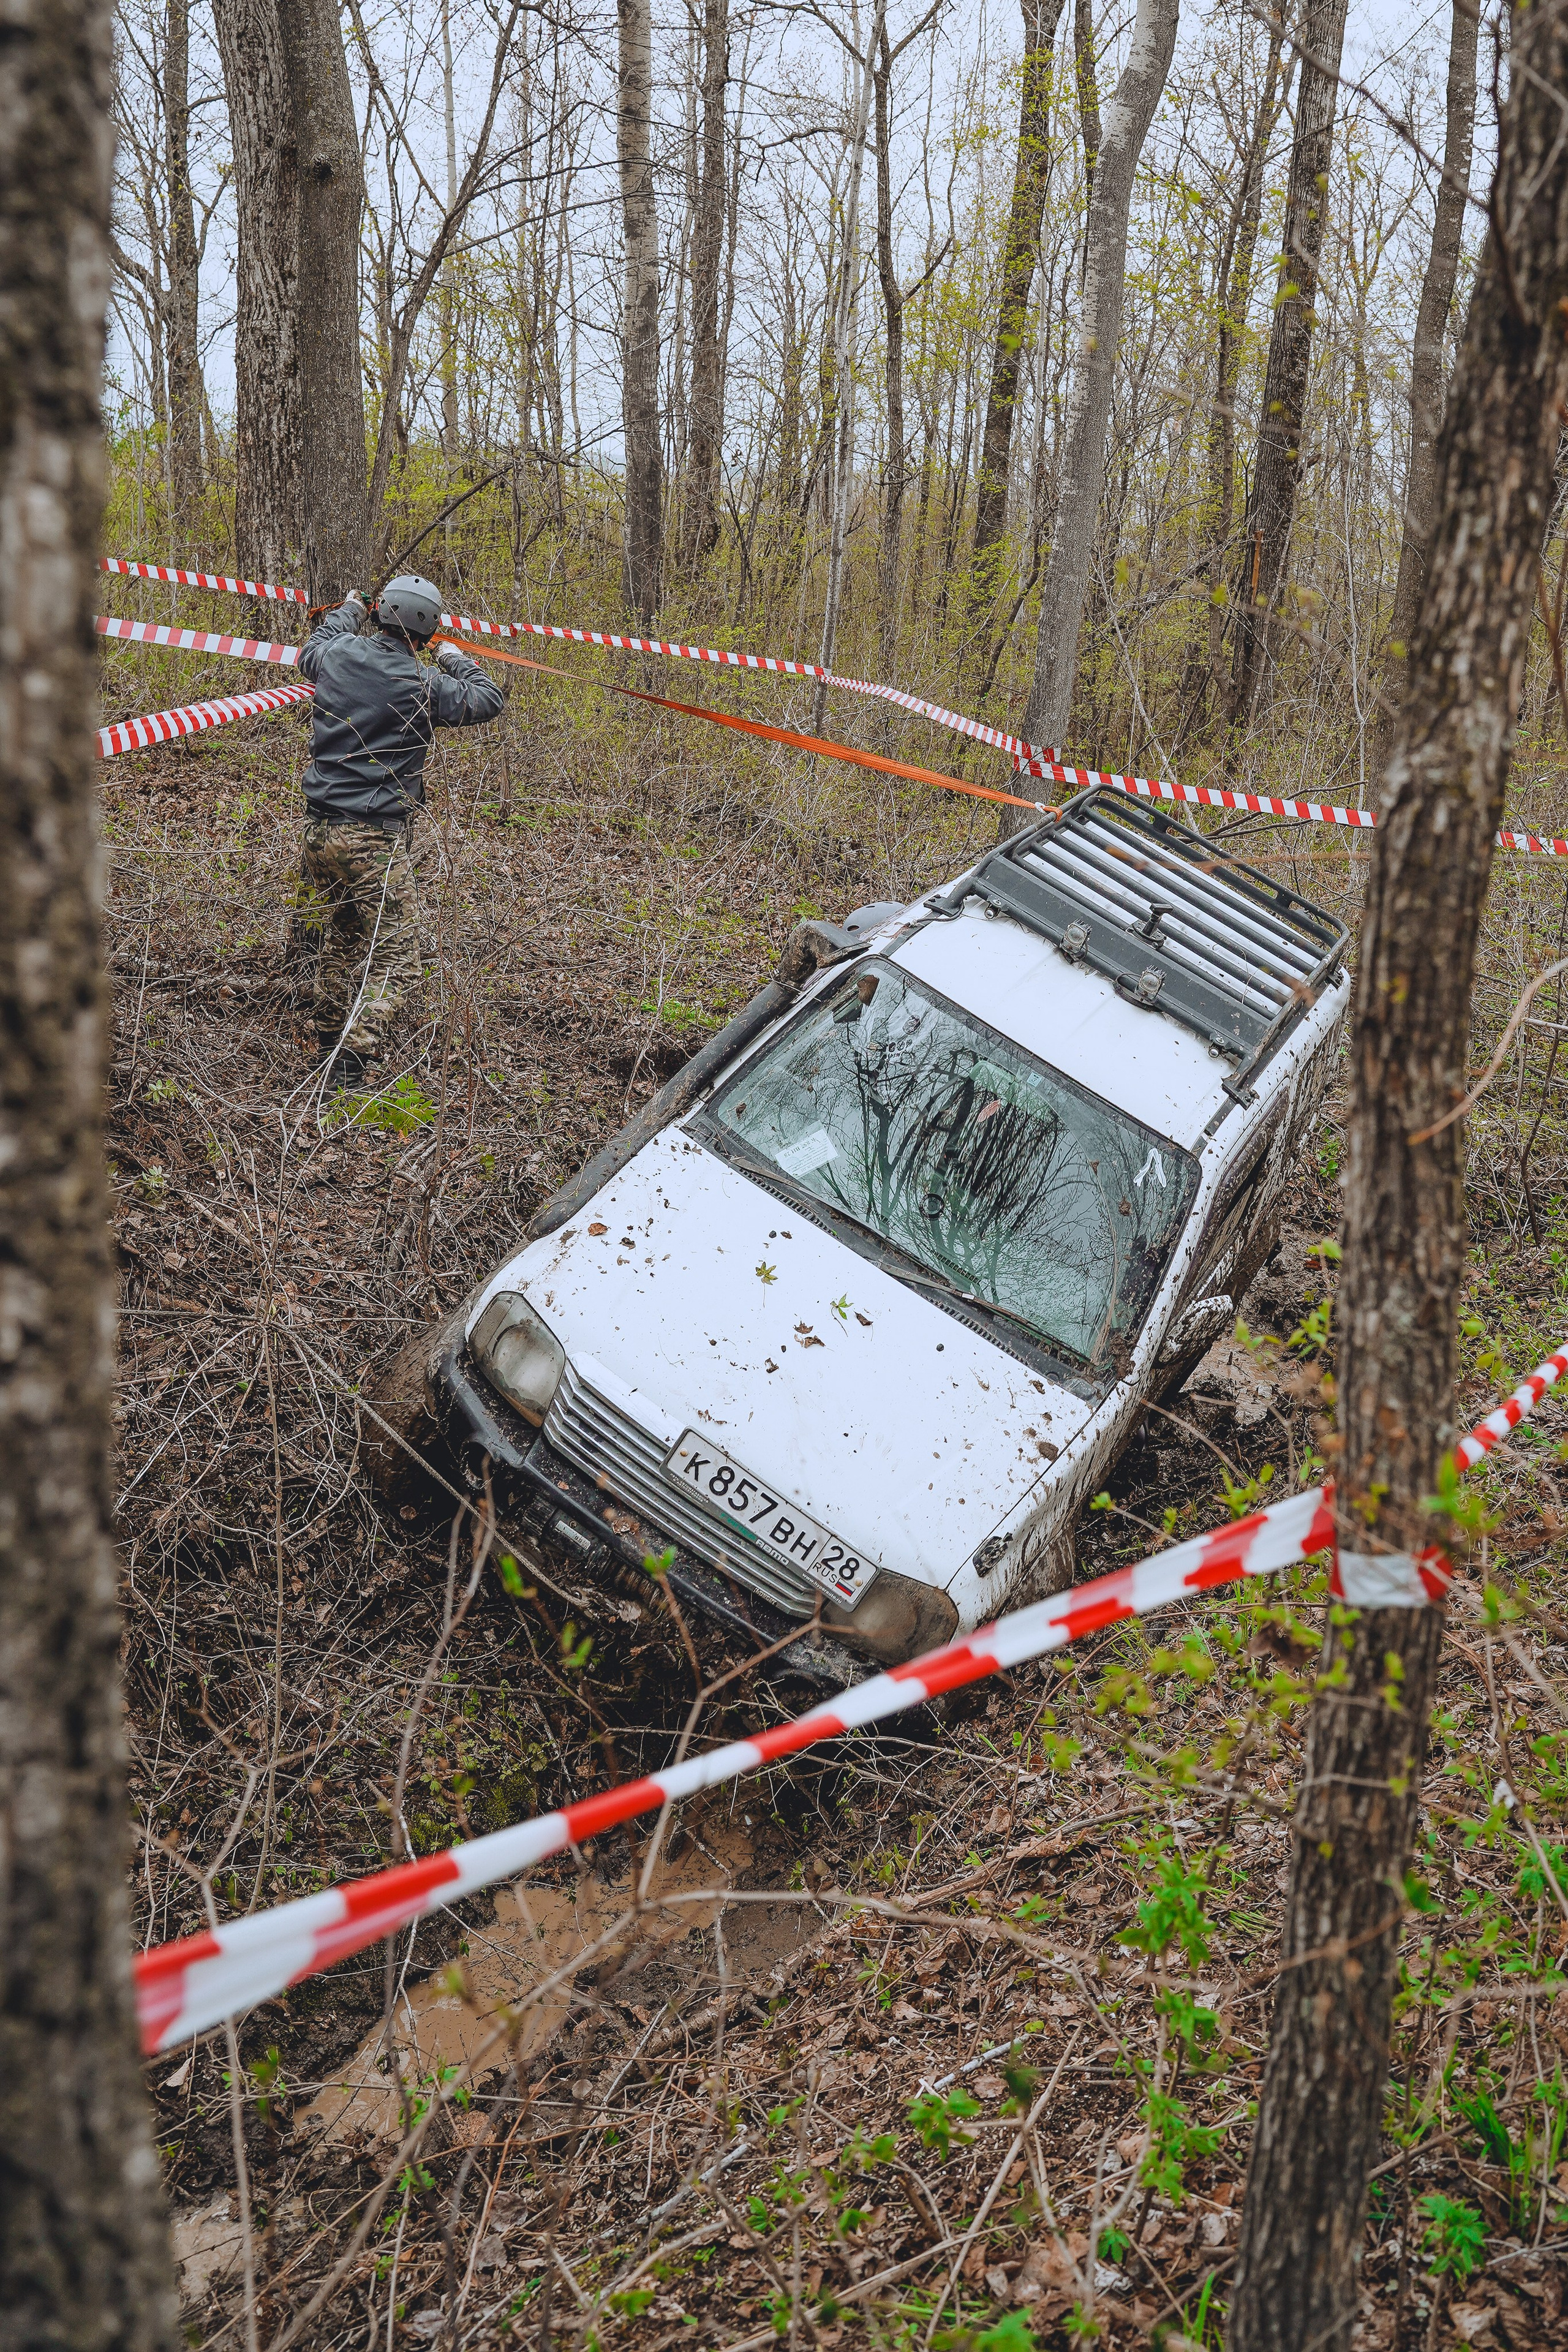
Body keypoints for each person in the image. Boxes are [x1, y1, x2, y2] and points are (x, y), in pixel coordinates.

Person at [295, 573, 504, 1088]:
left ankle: (328, 1040)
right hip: (372, 840)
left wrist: (349, 609)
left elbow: (314, 646)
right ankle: (349, 1062)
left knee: (343, 935)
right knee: (399, 956)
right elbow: (487, 698)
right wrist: (453, 656)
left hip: (318, 832)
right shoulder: (423, 685)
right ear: (427, 632)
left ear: (380, 613)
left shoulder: (336, 654)